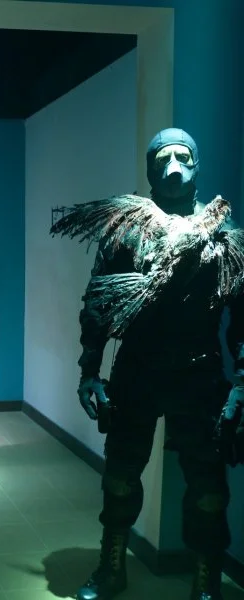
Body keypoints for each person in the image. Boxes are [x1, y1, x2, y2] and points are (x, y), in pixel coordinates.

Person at [52, 128, 244, 600]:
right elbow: (99, 302)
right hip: (137, 369)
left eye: (183, 157)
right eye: (163, 158)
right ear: (150, 168)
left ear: (196, 164)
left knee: (208, 486)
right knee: (120, 476)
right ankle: (112, 565)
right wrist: (90, 370)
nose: (174, 166)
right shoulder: (127, 226)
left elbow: (242, 319)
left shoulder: (224, 236)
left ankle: (206, 580)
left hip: (199, 374)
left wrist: (241, 383)